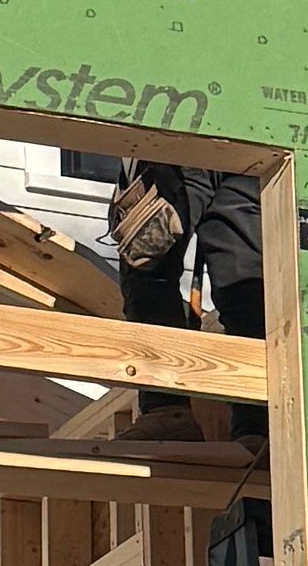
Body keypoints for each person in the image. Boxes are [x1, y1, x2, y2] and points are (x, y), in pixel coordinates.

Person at [111, 162, 265, 441]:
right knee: (245, 286)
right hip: (246, 153)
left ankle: (167, 412)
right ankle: (258, 427)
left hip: (178, 149)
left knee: (149, 267)